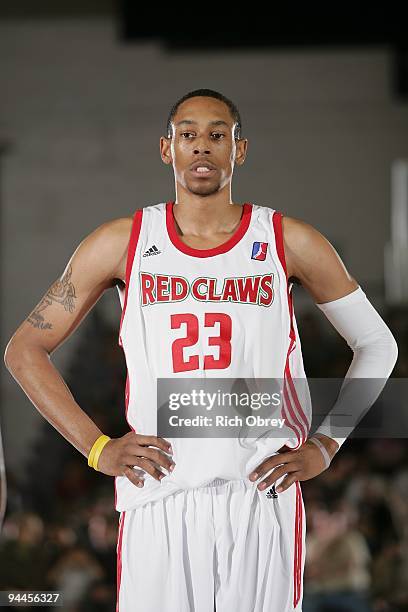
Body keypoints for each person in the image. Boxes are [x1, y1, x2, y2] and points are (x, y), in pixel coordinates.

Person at [4, 88, 398, 611]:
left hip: (261, 494)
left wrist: (328, 444)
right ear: (167, 149)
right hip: (158, 493)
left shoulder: (287, 240)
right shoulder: (121, 241)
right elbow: (24, 349)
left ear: (240, 149)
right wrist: (96, 448)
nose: (202, 147)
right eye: (188, 135)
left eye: (218, 135)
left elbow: (377, 344)